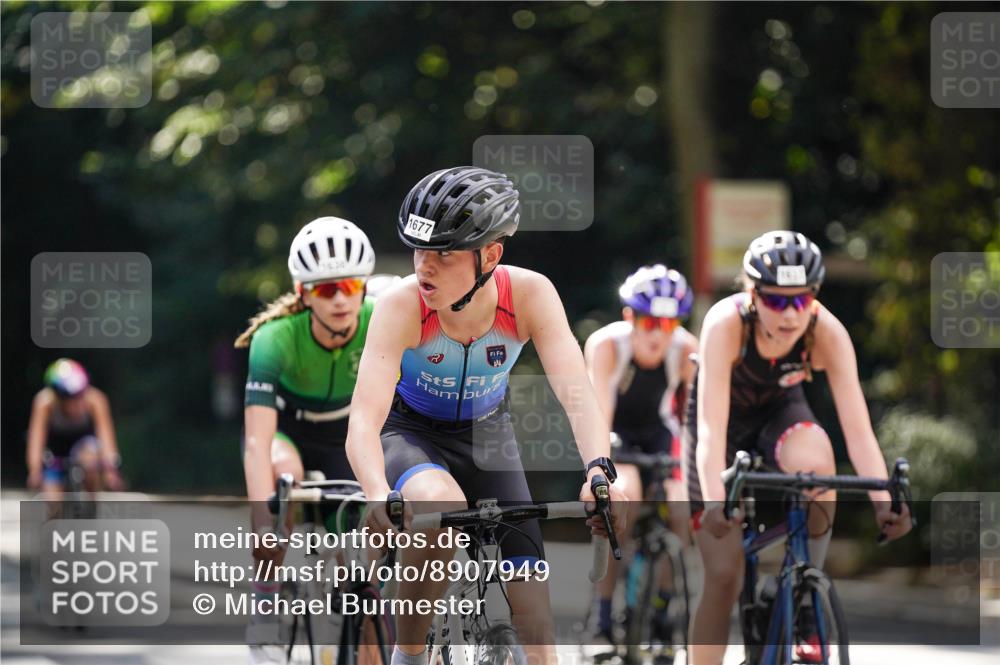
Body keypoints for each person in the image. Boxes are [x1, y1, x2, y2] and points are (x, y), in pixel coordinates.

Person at [345, 166, 626, 665]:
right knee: (438, 509)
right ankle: (407, 657)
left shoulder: (530, 295)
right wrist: (375, 493)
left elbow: (576, 391)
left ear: (490, 255)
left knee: (536, 624)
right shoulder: (401, 306)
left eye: (443, 253)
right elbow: (364, 420)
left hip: (488, 437)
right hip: (409, 434)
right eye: (418, 250)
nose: (424, 267)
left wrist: (599, 471)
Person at [683, 231, 913, 665]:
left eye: (801, 300)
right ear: (752, 294)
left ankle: (806, 592)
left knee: (817, 463)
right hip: (721, 426)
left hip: (780, 413)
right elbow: (711, 427)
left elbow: (858, 430)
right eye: (776, 300)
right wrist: (717, 500)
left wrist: (884, 502)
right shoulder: (725, 322)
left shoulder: (825, 330)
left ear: (815, 295)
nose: (790, 314)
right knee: (724, 574)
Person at [235, 216, 376, 665]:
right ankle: (266, 594)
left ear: (364, 287)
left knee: (354, 546)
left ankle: (353, 625)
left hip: (346, 434)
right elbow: (257, 441)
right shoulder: (274, 339)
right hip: (288, 433)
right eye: (324, 289)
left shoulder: (381, 319)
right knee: (286, 478)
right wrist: (262, 518)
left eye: (349, 287)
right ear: (303, 293)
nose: (338, 299)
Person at [584, 264, 698, 645]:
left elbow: (693, 421)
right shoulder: (606, 346)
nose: (657, 334)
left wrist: (687, 471)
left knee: (680, 510)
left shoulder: (687, 350)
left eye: (668, 325)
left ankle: (664, 610)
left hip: (661, 435)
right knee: (624, 500)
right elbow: (599, 414)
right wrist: (602, 472)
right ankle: (602, 616)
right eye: (649, 322)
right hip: (618, 435)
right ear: (629, 316)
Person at [26, 358, 123, 498]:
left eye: (78, 396)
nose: (73, 404)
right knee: (52, 501)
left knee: (90, 463)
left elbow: (106, 436)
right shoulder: (44, 403)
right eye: (66, 398)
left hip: (84, 444)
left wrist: (111, 470)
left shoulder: (96, 400)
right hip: (56, 449)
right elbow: (36, 438)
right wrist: (34, 470)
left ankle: (91, 506)